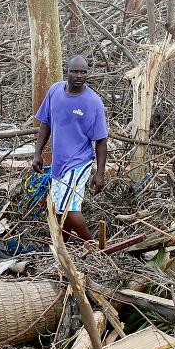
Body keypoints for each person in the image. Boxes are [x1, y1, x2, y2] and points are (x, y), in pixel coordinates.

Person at [29, 55, 108, 241]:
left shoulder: (93, 102)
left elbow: (101, 141)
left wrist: (100, 174)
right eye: (75, 71)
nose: (79, 75)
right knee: (57, 209)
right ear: (67, 71)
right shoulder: (55, 91)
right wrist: (37, 154)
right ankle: (61, 248)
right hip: (59, 163)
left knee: (70, 210)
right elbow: (45, 123)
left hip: (79, 162)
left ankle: (95, 248)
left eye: (83, 72)